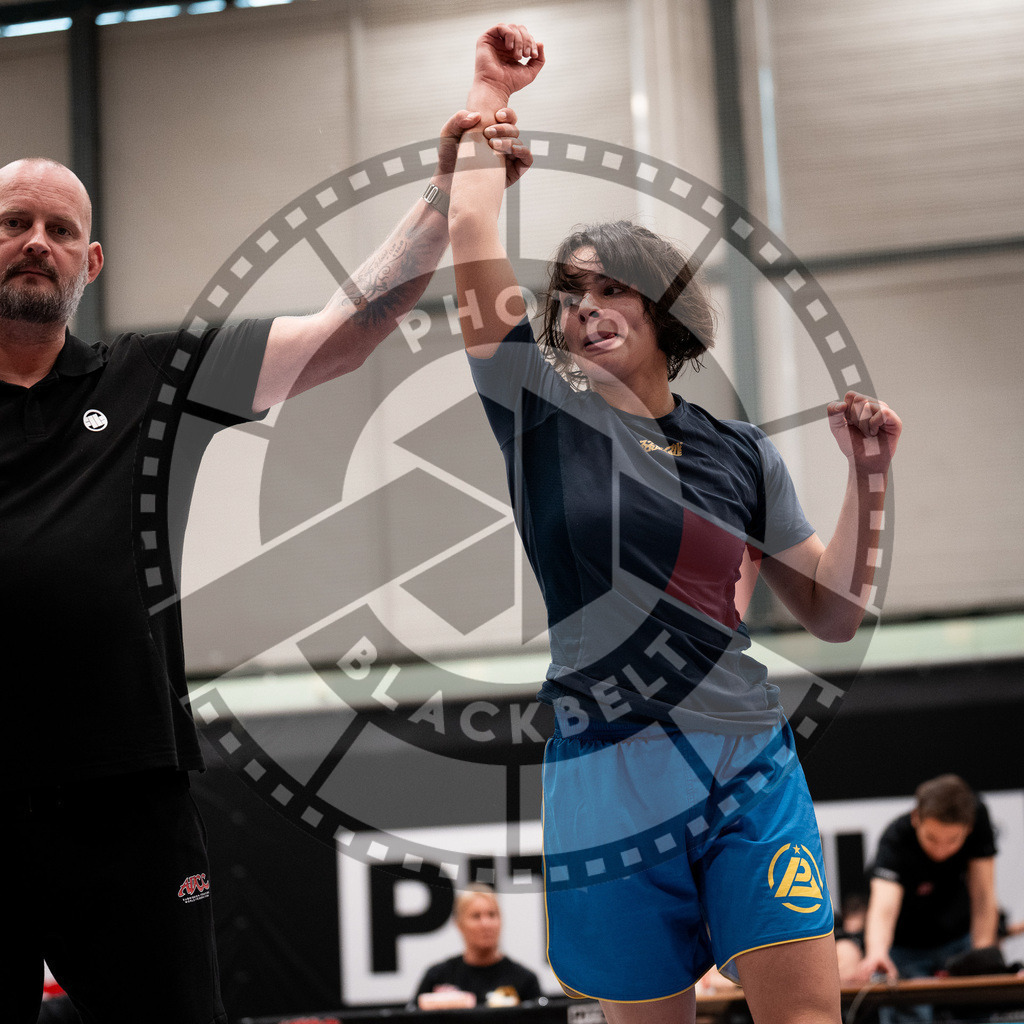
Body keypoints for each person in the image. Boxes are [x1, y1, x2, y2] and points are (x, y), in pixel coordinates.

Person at [1, 45, 530, 1023]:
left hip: (128, 798)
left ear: (90, 259)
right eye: (15, 223)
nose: (37, 241)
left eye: (60, 229)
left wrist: (440, 197)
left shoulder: (148, 378)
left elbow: (343, 332)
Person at [446, 23, 902, 1024]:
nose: (587, 307)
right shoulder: (535, 417)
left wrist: (867, 481)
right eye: (571, 294)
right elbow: (474, 245)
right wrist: (490, 98)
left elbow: (828, 614)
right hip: (602, 767)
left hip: (743, 752)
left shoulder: (740, 452)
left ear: (665, 314)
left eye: (614, 287)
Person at [856, 774, 998, 1003]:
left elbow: (983, 894)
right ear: (916, 819)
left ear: (969, 828)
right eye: (931, 838)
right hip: (905, 947)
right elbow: (883, 907)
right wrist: (877, 953)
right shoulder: (895, 839)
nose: (941, 850)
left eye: (953, 840)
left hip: (957, 940)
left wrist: (981, 955)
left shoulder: (978, 817)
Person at [413, 885, 543, 1008]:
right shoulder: (438, 977)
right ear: (459, 924)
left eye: (492, 915)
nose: (486, 924)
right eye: (476, 916)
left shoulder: (524, 980)